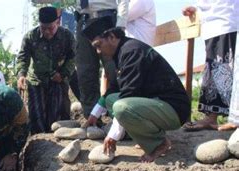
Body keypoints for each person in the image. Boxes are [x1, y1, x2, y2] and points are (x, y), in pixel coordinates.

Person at [83, 16, 191, 162]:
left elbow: (128, 95)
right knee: (110, 99)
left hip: (174, 110)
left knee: (121, 107)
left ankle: (159, 144)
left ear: (112, 37)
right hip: (156, 104)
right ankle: (145, 134)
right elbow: (115, 88)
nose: (97, 51)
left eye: (98, 45)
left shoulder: (132, 51)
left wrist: (113, 135)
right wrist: (95, 113)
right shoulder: (121, 52)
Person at [16, 6, 75, 134]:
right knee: (37, 117)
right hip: (36, 80)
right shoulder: (31, 36)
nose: (47, 32)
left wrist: (63, 73)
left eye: (51, 28)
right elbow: (22, 58)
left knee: (58, 116)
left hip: (58, 80)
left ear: (57, 23)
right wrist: (21, 75)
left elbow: (73, 58)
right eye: (43, 28)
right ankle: (39, 144)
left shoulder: (67, 36)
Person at [182, 0, 238, 131]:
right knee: (213, 71)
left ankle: (231, 119)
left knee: (227, 72)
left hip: (227, 20)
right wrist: (196, 8)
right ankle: (211, 117)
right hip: (212, 25)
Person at [74, 0, 130, 119]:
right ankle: (92, 118)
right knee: (85, 72)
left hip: (106, 20)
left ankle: (122, 117)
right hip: (83, 21)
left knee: (114, 70)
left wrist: (120, 25)